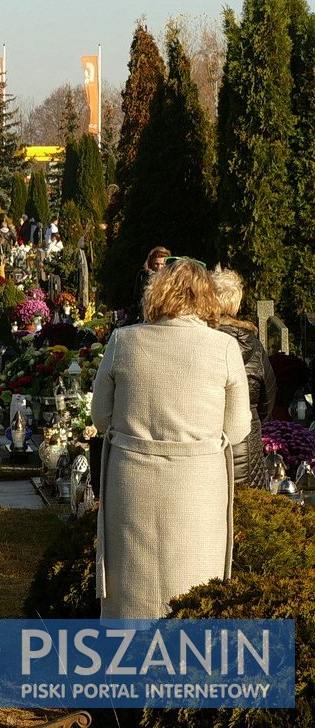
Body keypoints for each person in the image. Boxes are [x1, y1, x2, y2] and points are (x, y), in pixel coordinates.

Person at [91, 258, 250, 619]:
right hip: (198, 485)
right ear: (208, 298)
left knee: (133, 584)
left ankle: (127, 663)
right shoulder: (223, 348)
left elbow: (100, 417)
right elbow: (238, 427)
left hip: (132, 481)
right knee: (195, 580)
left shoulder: (124, 340)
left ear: (157, 293)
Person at [211, 269, 275, 489]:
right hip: (248, 446)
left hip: (210, 446)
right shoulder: (253, 344)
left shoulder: (201, 341)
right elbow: (269, 396)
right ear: (236, 303)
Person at [131, 246, 170, 322]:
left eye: (162, 264)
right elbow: (137, 297)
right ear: (151, 263)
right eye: (156, 264)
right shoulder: (144, 276)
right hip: (146, 317)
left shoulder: (171, 278)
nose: (159, 268)